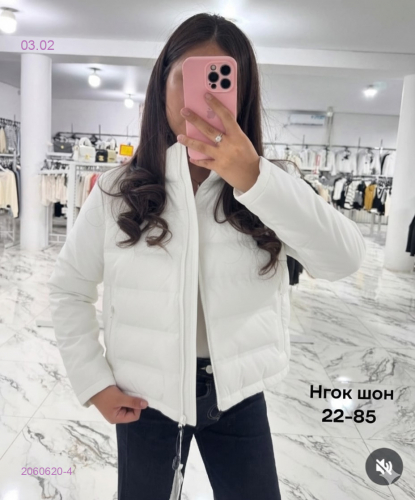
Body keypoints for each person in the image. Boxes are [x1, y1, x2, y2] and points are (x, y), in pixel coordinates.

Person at [48, 13, 367, 500]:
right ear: (162, 85)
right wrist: (93, 381)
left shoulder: (271, 184)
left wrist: (255, 178)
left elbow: (344, 260)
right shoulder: (118, 190)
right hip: (144, 395)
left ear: (243, 93)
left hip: (237, 393)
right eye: (188, 78)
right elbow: (69, 288)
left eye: (222, 80)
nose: (205, 98)